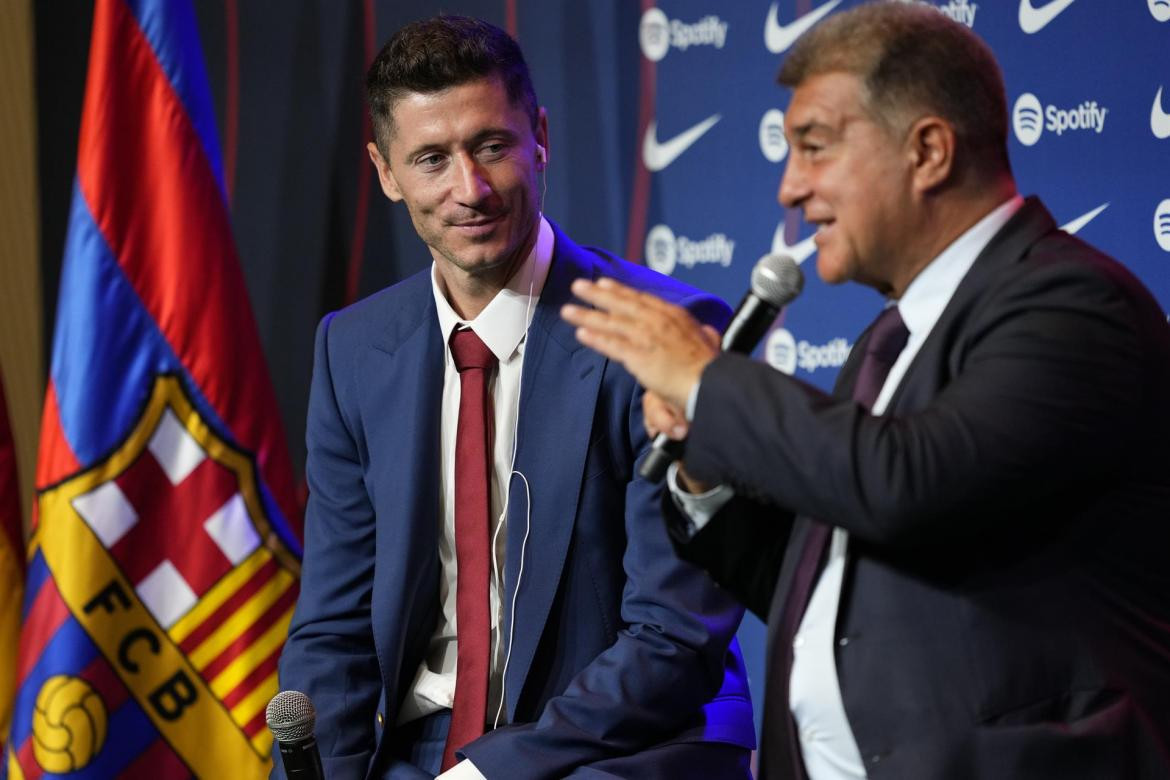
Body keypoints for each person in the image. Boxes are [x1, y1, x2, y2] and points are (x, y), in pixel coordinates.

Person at [561, 3, 1170, 779]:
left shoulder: (1075, 307)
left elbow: (906, 484)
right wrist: (707, 477)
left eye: (814, 148)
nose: (789, 188)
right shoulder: (892, 337)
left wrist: (711, 380)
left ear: (928, 152)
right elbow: (818, 576)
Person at [275, 15, 755, 780]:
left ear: (539, 136)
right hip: (422, 750)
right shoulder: (353, 350)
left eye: (491, 147)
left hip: (623, 747)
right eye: (431, 159)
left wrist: (487, 774)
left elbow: (674, 636)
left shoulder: (664, 333)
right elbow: (333, 629)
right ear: (386, 173)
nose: (469, 190)